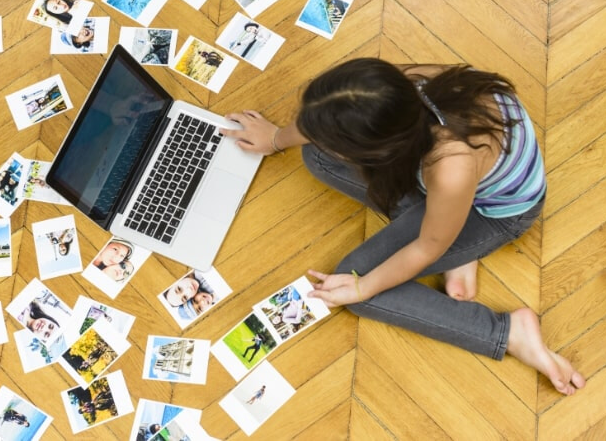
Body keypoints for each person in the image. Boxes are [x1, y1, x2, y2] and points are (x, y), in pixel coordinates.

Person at [220, 58, 585, 396]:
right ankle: (451, 234)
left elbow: (426, 247)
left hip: (494, 214)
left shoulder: (451, 167)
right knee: (316, 153)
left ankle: (509, 334)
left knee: (359, 285)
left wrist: (364, 286)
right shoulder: (402, 88)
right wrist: (275, 138)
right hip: (444, 187)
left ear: (379, 153)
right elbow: (322, 122)